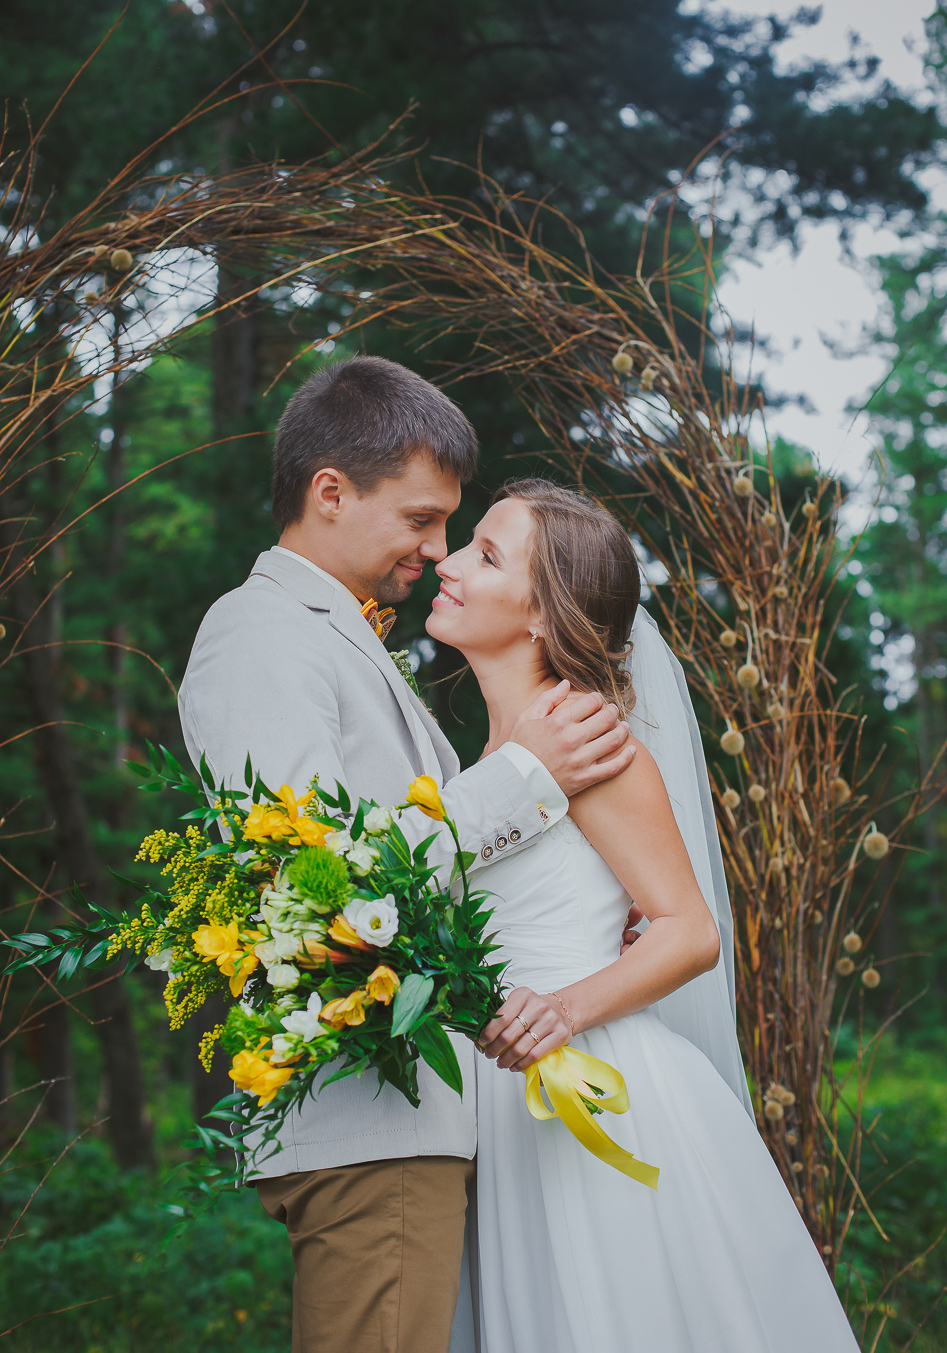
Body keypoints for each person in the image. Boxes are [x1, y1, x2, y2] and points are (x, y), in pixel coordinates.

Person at [177, 360, 636, 1353]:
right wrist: (521, 775)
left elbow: (420, 872)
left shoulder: (346, 641)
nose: (436, 550)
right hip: (368, 1124)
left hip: (430, 1120)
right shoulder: (258, 633)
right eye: (423, 520)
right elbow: (308, 887)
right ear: (329, 492)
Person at [426, 477, 862, 1353]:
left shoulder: (593, 745)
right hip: (501, 1101)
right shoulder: (472, 760)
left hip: (597, 1088)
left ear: (543, 616)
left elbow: (690, 930)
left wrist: (562, 1012)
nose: (448, 560)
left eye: (485, 554)